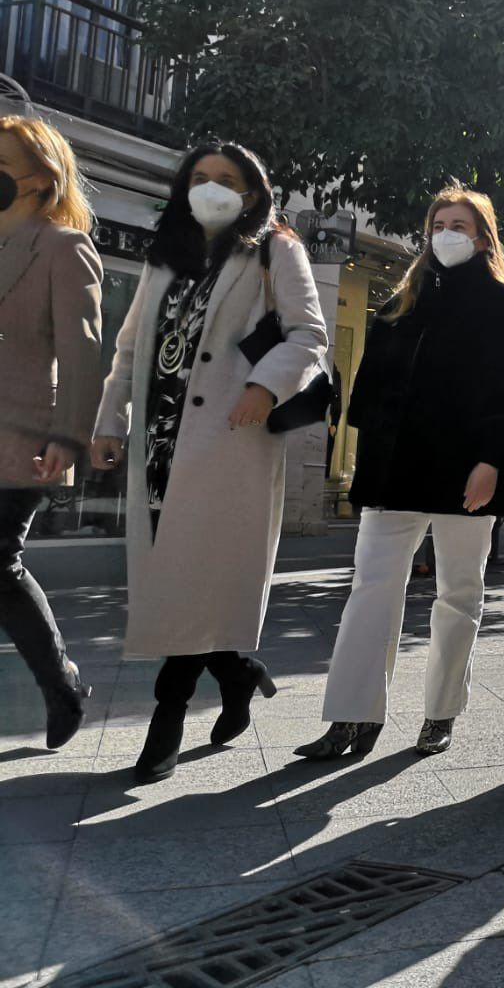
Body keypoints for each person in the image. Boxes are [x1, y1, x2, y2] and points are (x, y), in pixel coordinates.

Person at [90, 143, 328, 783]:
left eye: (227, 180)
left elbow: (309, 333)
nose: (211, 189)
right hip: (161, 445)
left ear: (252, 193)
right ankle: (238, 670)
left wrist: (263, 386)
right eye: (200, 178)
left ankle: (167, 719)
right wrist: (112, 419)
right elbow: (131, 344)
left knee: (198, 575)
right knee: (179, 578)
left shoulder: (275, 248)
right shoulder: (164, 254)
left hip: (231, 437)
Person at [296, 184, 504, 761]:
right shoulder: (402, 300)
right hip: (397, 472)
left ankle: (440, 713)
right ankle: (352, 716)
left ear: (483, 235)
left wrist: (494, 463)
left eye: (459, 224)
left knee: (459, 594)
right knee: (370, 590)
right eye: (438, 222)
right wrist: (369, 459)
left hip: (468, 471)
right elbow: (370, 393)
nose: (446, 233)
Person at [0, 116, 102, 750]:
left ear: (42, 178)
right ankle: (60, 675)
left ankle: (59, 677)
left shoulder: (64, 248)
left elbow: (84, 352)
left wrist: (69, 436)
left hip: (24, 434)